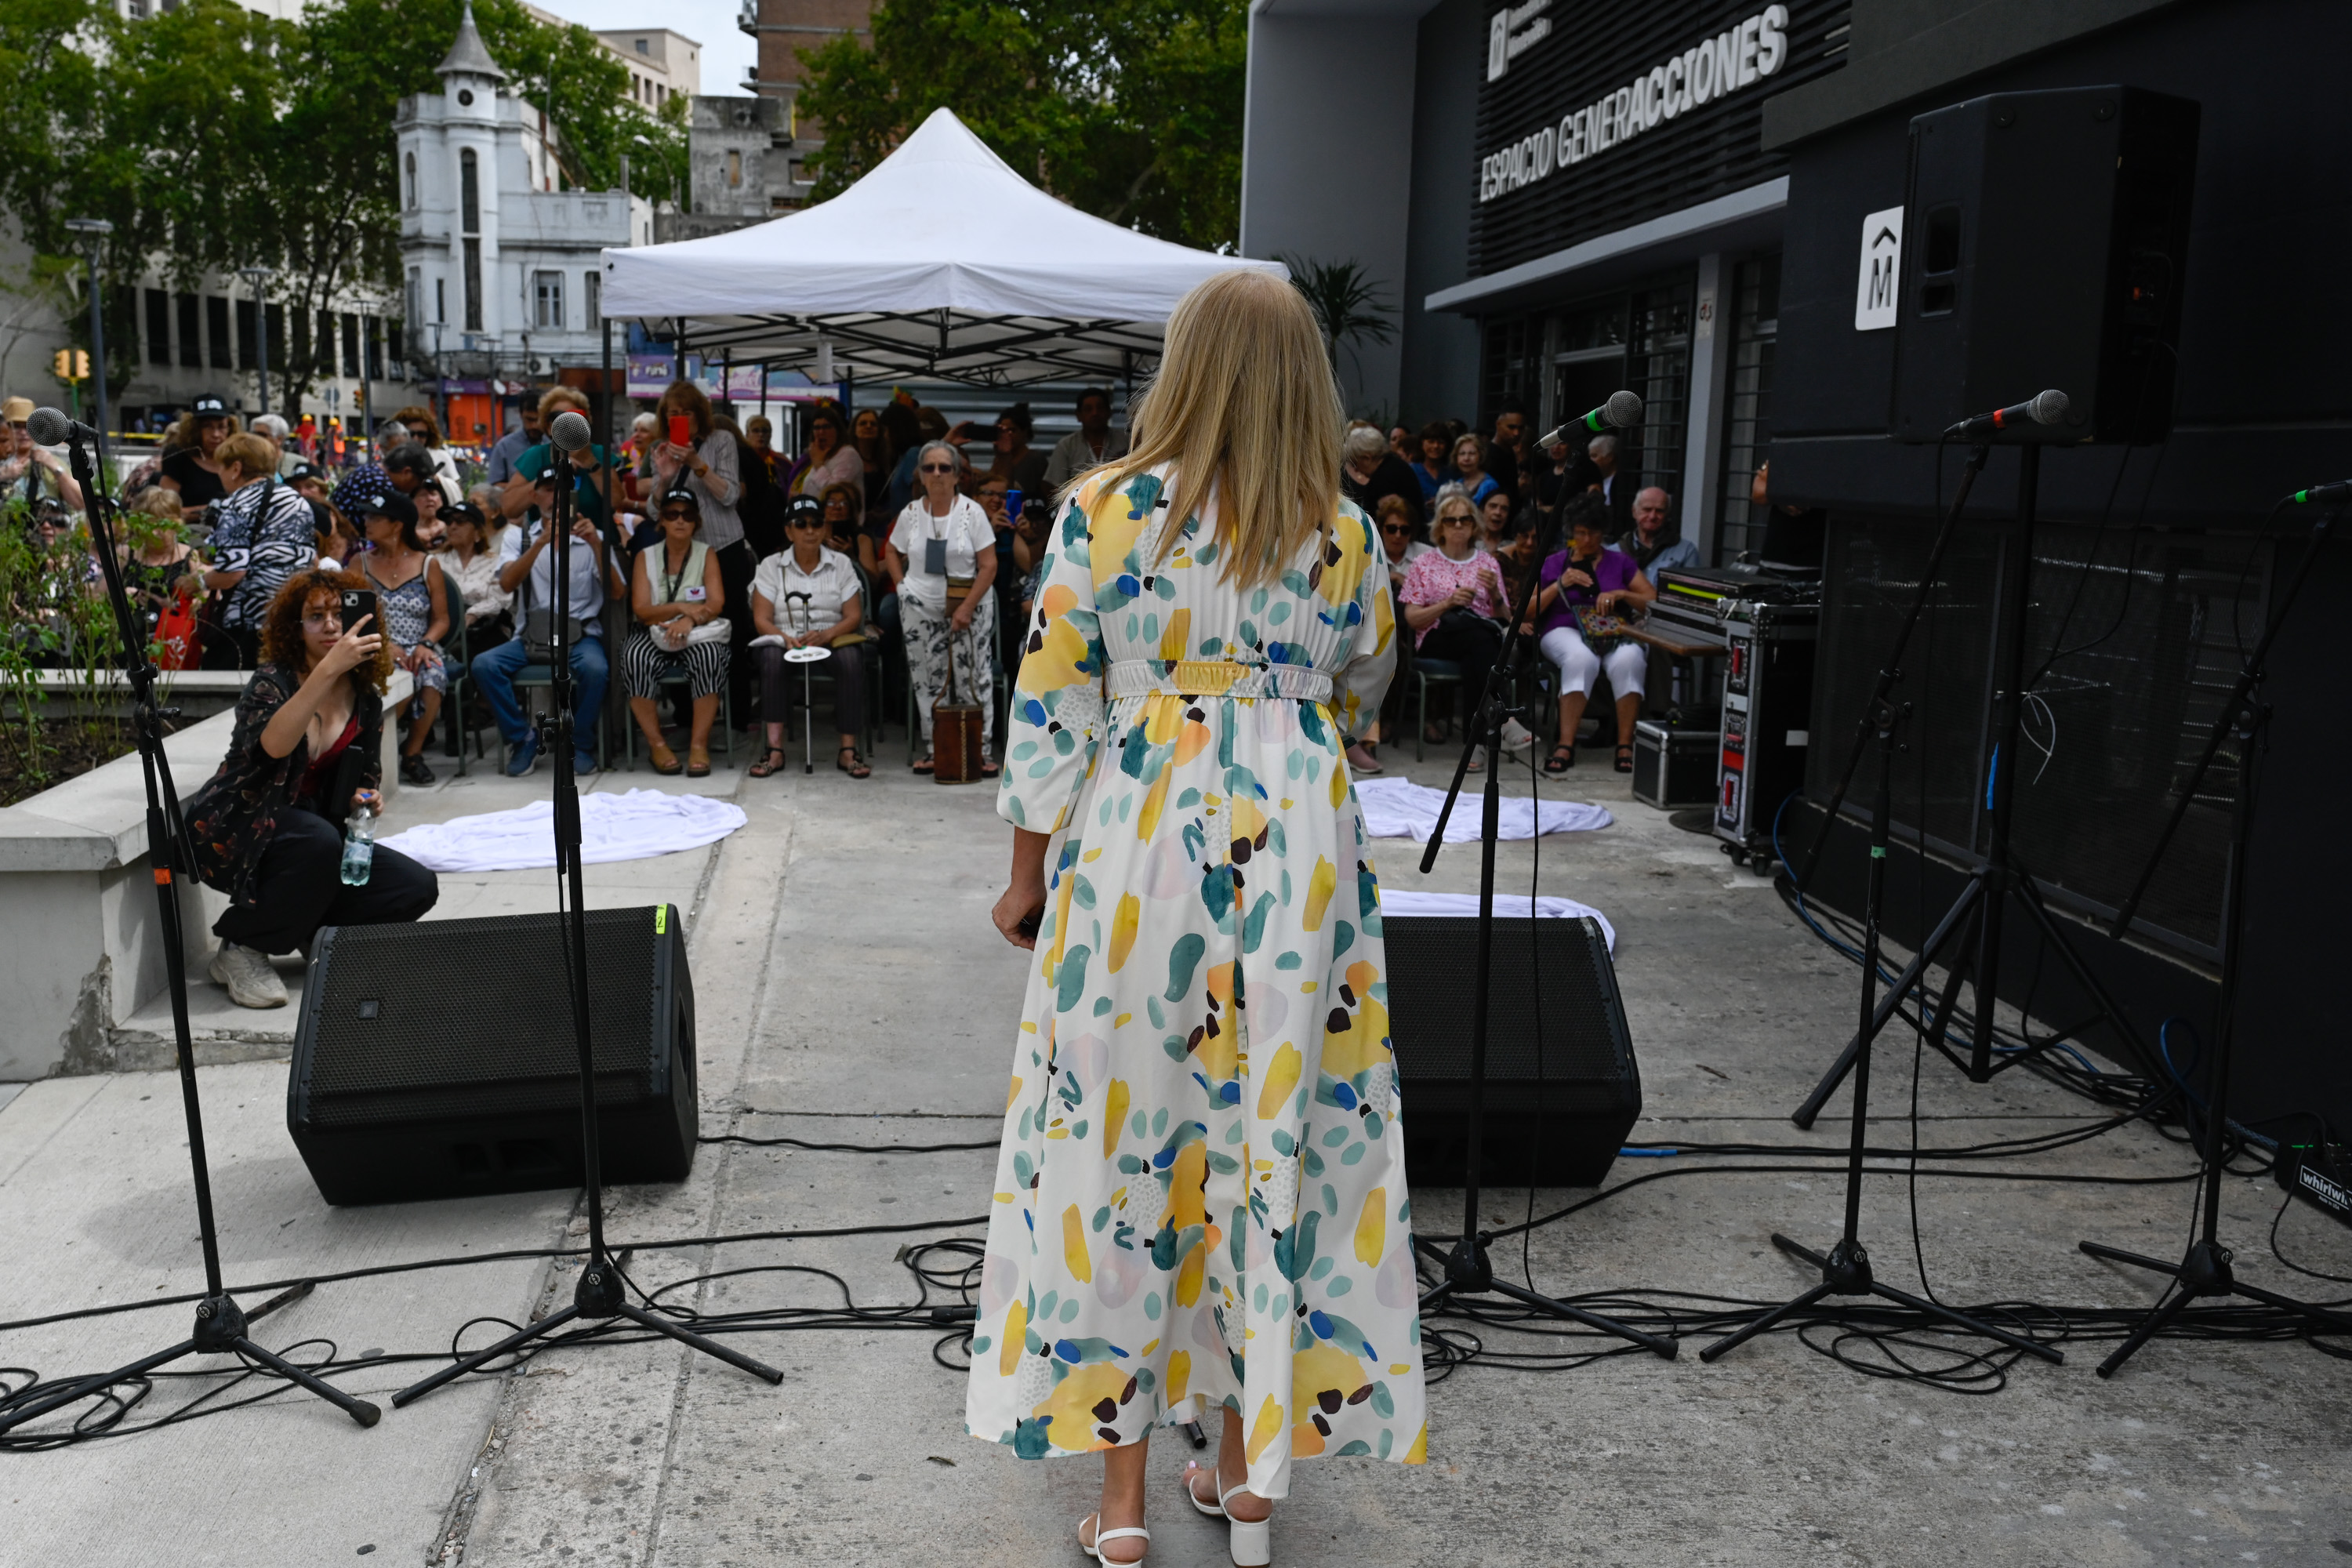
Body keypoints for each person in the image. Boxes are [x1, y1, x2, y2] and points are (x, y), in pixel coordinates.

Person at [975, 267, 1421, 1566]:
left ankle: (1120, 1514)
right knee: (1276, 1133)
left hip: (1147, 837)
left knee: (1131, 1146)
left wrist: (1025, 871)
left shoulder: (1105, 513)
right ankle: (1246, 1476)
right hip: (1299, 841)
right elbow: (1368, 675)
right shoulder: (1342, 529)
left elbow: (1053, 698)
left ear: (1183, 368)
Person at [183, 569, 437, 1008]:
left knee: (415, 885)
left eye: (340, 614)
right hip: (241, 826)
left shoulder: (365, 696)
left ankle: (312, 933)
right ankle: (240, 947)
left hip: (312, 837)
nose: (331, 626)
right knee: (319, 842)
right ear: (294, 627)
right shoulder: (272, 682)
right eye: (315, 616)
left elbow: (366, 775)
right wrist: (326, 670)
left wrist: (367, 797)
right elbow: (274, 746)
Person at [473, 470, 622, 777]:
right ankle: (523, 738)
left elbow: (618, 592)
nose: (556, 497)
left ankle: (579, 742)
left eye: (563, 490)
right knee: (484, 665)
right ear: (535, 497)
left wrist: (595, 544)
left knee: (596, 670)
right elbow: (506, 584)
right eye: (548, 490)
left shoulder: (593, 536)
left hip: (581, 635)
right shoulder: (519, 536)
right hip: (534, 636)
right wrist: (541, 542)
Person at [651, 379, 756, 728]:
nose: (680, 419)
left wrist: (697, 463)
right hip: (684, 553)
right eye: (673, 414)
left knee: (736, 630)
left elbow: (729, 496)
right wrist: (665, 477)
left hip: (724, 546)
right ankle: (686, 716)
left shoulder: (721, 441)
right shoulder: (661, 448)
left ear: (700, 415)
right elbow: (656, 511)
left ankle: (738, 715)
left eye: (686, 413)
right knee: (683, 628)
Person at [888, 438, 997, 775]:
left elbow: (989, 565)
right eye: (929, 467)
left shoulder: (972, 512)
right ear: (920, 475)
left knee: (973, 677)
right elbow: (891, 551)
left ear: (957, 475)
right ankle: (938, 750)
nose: (936, 474)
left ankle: (979, 751)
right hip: (920, 605)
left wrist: (966, 608)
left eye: (944, 467)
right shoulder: (910, 513)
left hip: (970, 604)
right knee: (927, 679)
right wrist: (902, 587)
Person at [1528, 494, 1655, 773]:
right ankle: (1566, 743)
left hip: (1610, 627)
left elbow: (1651, 600)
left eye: (1593, 533)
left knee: (1631, 657)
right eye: (1581, 533)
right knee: (1580, 658)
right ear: (1572, 533)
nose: (1587, 540)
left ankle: (1625, 744)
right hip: (1563, 628)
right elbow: (1526, 611)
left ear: (1603, 533)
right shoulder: (1555, 562)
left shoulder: (1619, 562)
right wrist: (1560, 584)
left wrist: (1622, 593)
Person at [750, 495, 870, 779]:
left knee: (852, 660)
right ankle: (774, 750)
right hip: (784, 639)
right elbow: (761, 619)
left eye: (817, 523)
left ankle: (848, 750)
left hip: (831, 637)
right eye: (801, 524)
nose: (810, 530)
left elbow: (854, 616)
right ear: (788, 531)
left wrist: (828, 634)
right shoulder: (771, 565)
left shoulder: (841, 564)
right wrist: (785, 638)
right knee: (770, 659)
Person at [621, 488, 730, 777]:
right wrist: (682, 607)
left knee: (711, 656)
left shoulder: (706, 554)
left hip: (696, 629)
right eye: (672, 514)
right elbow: (642, 610)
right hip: (652, 629)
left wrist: (690, 621)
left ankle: (698, 745)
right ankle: (657, 744)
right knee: (634, 657)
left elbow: (716, 603)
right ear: (662, 522)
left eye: (687, 515)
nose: (680, 520)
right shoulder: (646, 556)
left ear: (696, 522)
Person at [350, 491, 451, 787]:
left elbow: (442, 618)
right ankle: (376, 751)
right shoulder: (360, 563)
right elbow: (352, 616)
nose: (366, 522)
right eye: (367, 516)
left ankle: (412, 753)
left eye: (375, 517)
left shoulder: (427, 563)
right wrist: (382, 644)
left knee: (433, 673)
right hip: (373, 645)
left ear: (397, 525)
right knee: (395, 681)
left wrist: (426, 644)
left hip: (418, 645)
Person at [1398, 485, 1510, 752]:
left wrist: (1494, 591)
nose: (1458, 525)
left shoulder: (1488, 563)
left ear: (1474, 525)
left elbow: (1505, 616)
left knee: (1478, 651)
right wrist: (1448, 603)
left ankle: (1474, 746)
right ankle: (1496, 724)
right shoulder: (1423, 563)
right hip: (1436, 635)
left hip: (1478, 639)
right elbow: (1412, 618)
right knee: (1484, 641)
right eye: (1451, 520)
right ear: (1440, 526)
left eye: (1465, 519)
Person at [201, 432, 320, 670]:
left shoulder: (237, 504)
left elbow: (232, 573)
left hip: (250, 623)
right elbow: (311, 559)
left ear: (236, 468)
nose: (219, 474)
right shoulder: (296, 500)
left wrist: (200, 581)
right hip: (293, 615)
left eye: (221, 467)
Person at [0, 395, 86, 512]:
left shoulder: (49, 463)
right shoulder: (3, 463)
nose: (24, 433)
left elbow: (81, 504)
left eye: (28, 426)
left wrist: (56, 469)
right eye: (16, 426)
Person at [441, 500, 510, 643]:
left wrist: (474, 614)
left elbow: (502, 599)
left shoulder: (495, 562)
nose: (453, 526)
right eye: (449, 522)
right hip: (442, 628)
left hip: (482, 631)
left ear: (478, 532)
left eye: (461, 522)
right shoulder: (436, 561)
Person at [1042, 386, 1130, 494]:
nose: (1095, 413)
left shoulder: (1126, 441)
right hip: (1078, 507)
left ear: (1109, 412)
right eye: (1088, 409)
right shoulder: (1067, 446)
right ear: (1079, 416)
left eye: (1100, 408)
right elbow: (1054, 487)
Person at [158, 395, 239, 510]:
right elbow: (166, 511)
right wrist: (208, 510)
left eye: (222, 427)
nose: (216, 434)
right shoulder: (178, 456)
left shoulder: (238, 457)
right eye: (208, 427)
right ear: (194, 429)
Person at [955, 401, 1048, 494]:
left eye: (1012, 430)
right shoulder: (1000, 457)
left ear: (1024, 432)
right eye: (1004, 430)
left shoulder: (1034, 459)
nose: (1007, 435)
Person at [1340, 422, 1421, 528]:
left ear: (1367, 458)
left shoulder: (1383, 480)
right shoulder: (1397, 465)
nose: (1355, 468)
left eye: (1355, 462)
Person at [390, 405, 463, 504]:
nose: (416, 439)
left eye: (422, 434)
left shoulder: (441, 456)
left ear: (429, 435)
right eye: (411, 434)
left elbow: (457, 490)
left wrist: (439, 481)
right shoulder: (393, 457)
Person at [789, 401, 862, 499]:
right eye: (817, 428)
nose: (821, 432)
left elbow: (833, 491)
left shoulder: (848, 454)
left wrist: (818, 464)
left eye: (826, 427)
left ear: (837, 430)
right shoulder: (816, 455)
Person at [1618, 485, 1698, 574]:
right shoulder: (1615, 551)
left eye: (1659, 511)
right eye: (1647, 510)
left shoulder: (1686, 551)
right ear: (1634, 512)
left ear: (1667, 514)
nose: (1652, 516)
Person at [482, 400, 543, 488]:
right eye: (529, 420)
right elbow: (494, 485)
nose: (534, 426)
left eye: (538, 420)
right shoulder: (504, 446)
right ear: (521, 415)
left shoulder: (555, 443)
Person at [1588, 432, 1635, 536]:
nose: (1590, 461)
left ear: (1610, 457)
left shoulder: (1623, 483)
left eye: (1594, 456)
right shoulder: (1591, 481)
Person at [1486, 398, 1529, 504]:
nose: (1516, 433)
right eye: (1511, 427)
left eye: (1521, 428)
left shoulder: (1510, 453)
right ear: (1498, 424)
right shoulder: (1488, 457)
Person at [1409, 418, 1454, 503]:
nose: (1436, 446)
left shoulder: (1452, 473)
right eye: (1431, 442)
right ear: (1422, 444)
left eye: (1441, 442)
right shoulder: (1411, 471)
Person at [1451, 431, 1500, 507]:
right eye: (1462, 453)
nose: (1466, 458)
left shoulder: (1490, 485)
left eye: (1472, 453)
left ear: (1480, 456)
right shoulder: (1457, 484)